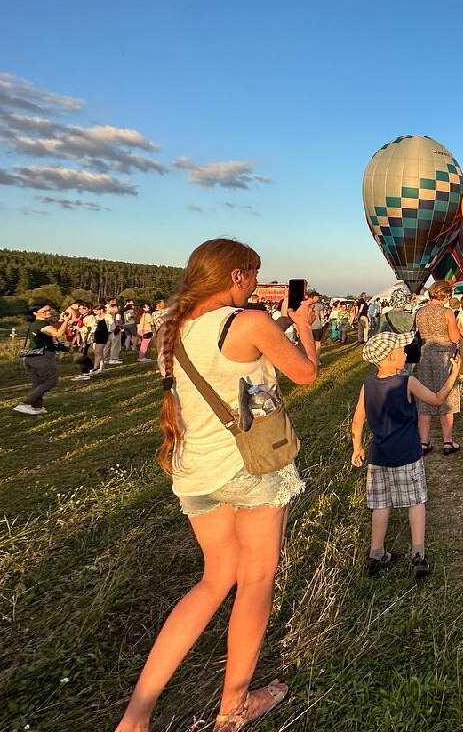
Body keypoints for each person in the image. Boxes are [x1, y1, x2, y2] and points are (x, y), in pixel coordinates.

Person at [115, 238, 319, 732]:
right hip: (249, 468)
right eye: (252, 273)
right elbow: (307, 374)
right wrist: (303, 327)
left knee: (212, 581)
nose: (255, 282)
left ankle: (137, 713)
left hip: (195, 471)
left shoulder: (171, 326)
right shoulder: (247, 323)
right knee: (254, 582)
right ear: (233, 276)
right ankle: (234, 706)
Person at [351, 332, 461, 577]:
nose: (405, 353)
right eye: (401, 350)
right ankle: (418, 554)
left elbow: (358, 420)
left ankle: (376, 553)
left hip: (378, 457)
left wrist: (357, 447)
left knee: (380, 505)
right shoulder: (407, 382)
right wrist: (453, 374)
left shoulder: (367, 385)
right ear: (390, 357)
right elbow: (436, 399)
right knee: (416, 502)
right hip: (408, 454)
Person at [413, 281, 463, 455]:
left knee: (424, 397)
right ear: (446, 295)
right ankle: (448, 442)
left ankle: (423, 442)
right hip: (443, 355)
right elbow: (454, 337)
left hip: (424, 355)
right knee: (447, 396)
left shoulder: (419, 312)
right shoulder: (447, 312)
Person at [14, 302, 65, 416]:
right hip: (41, 358)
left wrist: (61, 320)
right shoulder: (41, 324)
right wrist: (67, 321)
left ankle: (36, 406)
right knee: (51, 381)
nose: (49, 312)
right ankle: (25, 404)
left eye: (49, 310)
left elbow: (52, 328)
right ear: (35, 313)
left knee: (38, 383)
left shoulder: (36, 324)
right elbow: (58, 333)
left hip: (30, 357)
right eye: (45, 311)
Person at [90, 305, 111, 377]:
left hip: (103, 335)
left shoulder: (107, 316)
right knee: (97, 352)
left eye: (96, 310)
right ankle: (101, 367)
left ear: (101, 310)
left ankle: (95, 367)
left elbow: (111, 326)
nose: (94, 312)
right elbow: (93, 327)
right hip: (96, 335)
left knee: (98, 351)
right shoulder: (95, 318)